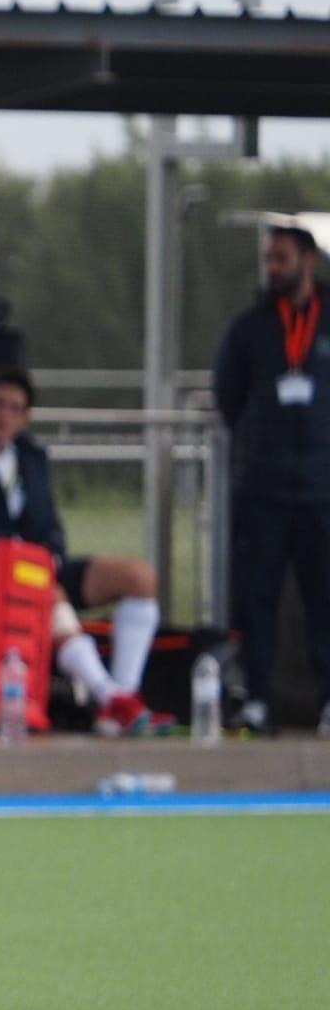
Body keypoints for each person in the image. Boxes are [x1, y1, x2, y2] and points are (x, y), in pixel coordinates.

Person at [0, 367, 168, 734]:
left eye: (15, 408)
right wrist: (24, 558)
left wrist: (50, 555)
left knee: (140, 578)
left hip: (40, 566)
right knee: (49, 595)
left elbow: (50, 523)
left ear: (26, 417)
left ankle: (123, 695)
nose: (4, 415)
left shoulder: (32, 458)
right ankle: (110, 698)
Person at [214, 222, 330, 735]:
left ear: (308, 261)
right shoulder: (250, 327)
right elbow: (228, 397)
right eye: (269, 259)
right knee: (256, 597)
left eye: (282, 259)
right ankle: (256, 697)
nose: (273, 269)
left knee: (324, 597)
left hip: (323, 488)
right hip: (262, 488)